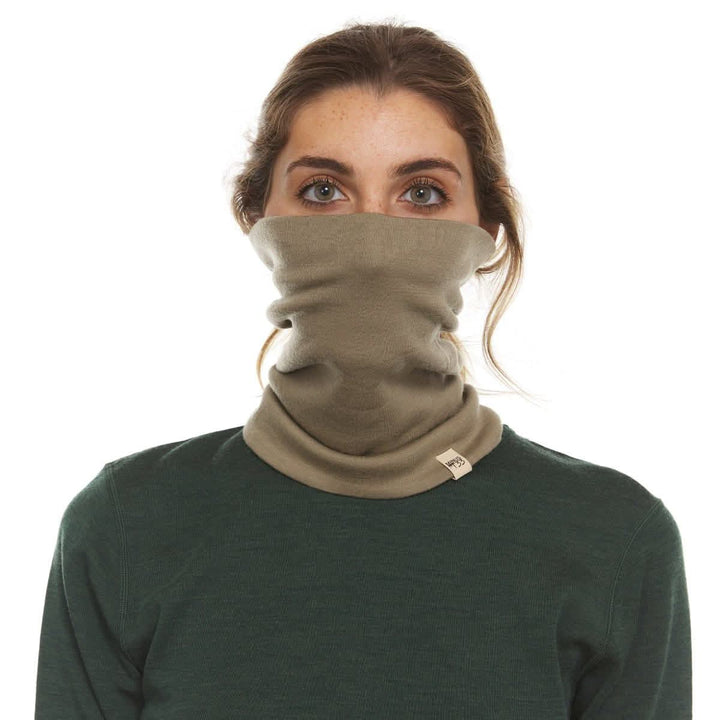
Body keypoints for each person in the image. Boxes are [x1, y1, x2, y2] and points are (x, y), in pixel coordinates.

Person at [34, 20, 692, 719]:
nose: (373, 241)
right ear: (256, 216)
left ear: (488, 229)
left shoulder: (614, 541)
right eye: (323, 191)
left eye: (422, 193)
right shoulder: (126, 527)